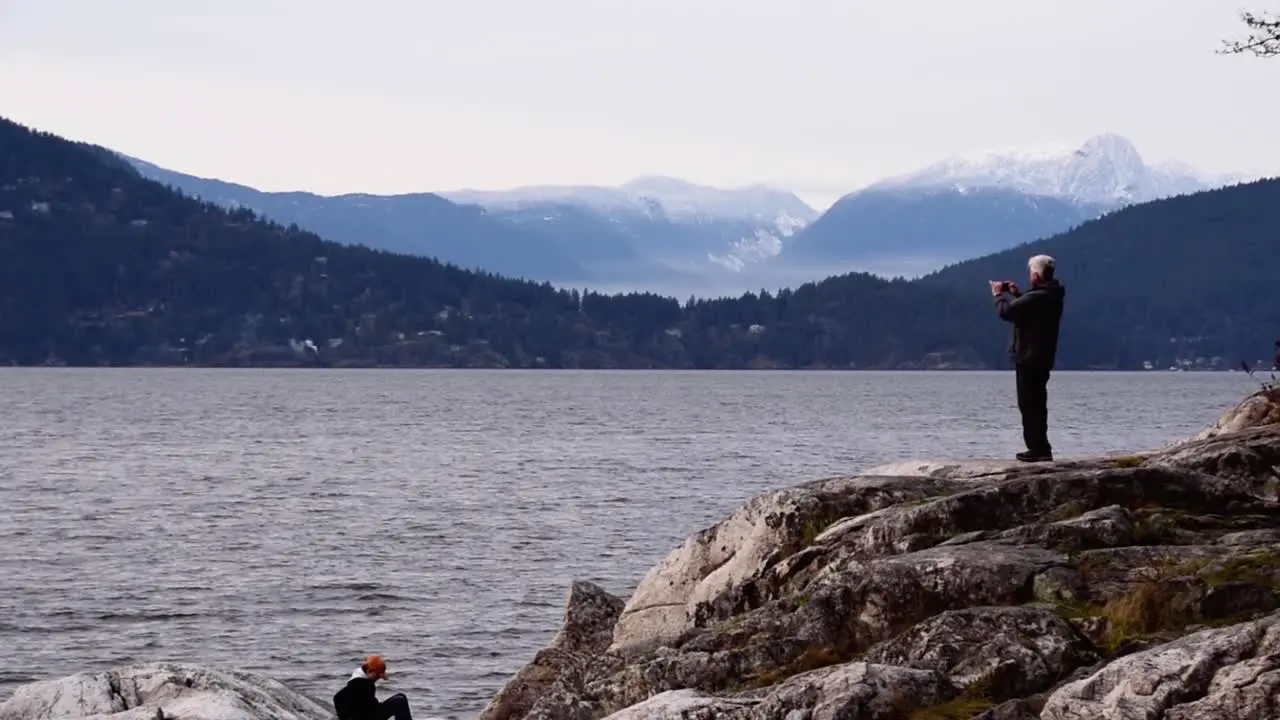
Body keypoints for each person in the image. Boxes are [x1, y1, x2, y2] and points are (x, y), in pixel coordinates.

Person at [990, 254, 1066, 462]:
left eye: (1031, 272)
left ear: (1036, 274)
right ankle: (1041, 447)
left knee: (1028, 404)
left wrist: (998, 295)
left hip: (1028, 358)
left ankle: (1037, 449)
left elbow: (1006, 313)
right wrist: (1018, 295)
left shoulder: (1038, 297)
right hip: (1042, 357)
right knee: (1038, 404)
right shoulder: (1051, 296)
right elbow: (1029, 311)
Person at [333, 655, 413, 720]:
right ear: (368, 672)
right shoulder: (364, 685)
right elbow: (364, 711)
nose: (377, 678)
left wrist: (342, 716)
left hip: (367, 712)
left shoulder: (356, 680)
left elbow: (336, 697)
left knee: (401, 696)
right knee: (399, 701)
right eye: (377, 676)